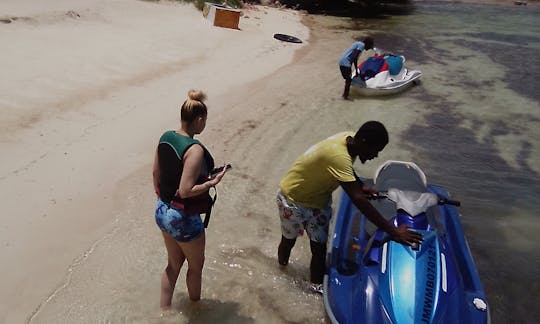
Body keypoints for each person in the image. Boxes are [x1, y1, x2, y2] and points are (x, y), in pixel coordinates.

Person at [276, 121, 422, 293]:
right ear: (363, 141)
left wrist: (360, 185)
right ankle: (281, 271)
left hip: (318, 202)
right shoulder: (339, 156)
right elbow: (358, 200)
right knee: (289, 242)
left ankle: (316, 290)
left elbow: (346, 171)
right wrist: (394, 232)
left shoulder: (351, 140)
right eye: (375, 150)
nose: (375, 155)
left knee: (319, 249)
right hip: (293, 199)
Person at [152, 89, 228, 310]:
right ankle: (196, 310)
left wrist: (163, 200)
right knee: (196, 267)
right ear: (199, 120)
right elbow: (186, 190)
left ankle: (164, 313)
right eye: (205, 121)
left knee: (173, 265)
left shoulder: (165, 137)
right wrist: (211, 183)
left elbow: (156, 175)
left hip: (162, 210)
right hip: (182, 217)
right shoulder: (194, 150)